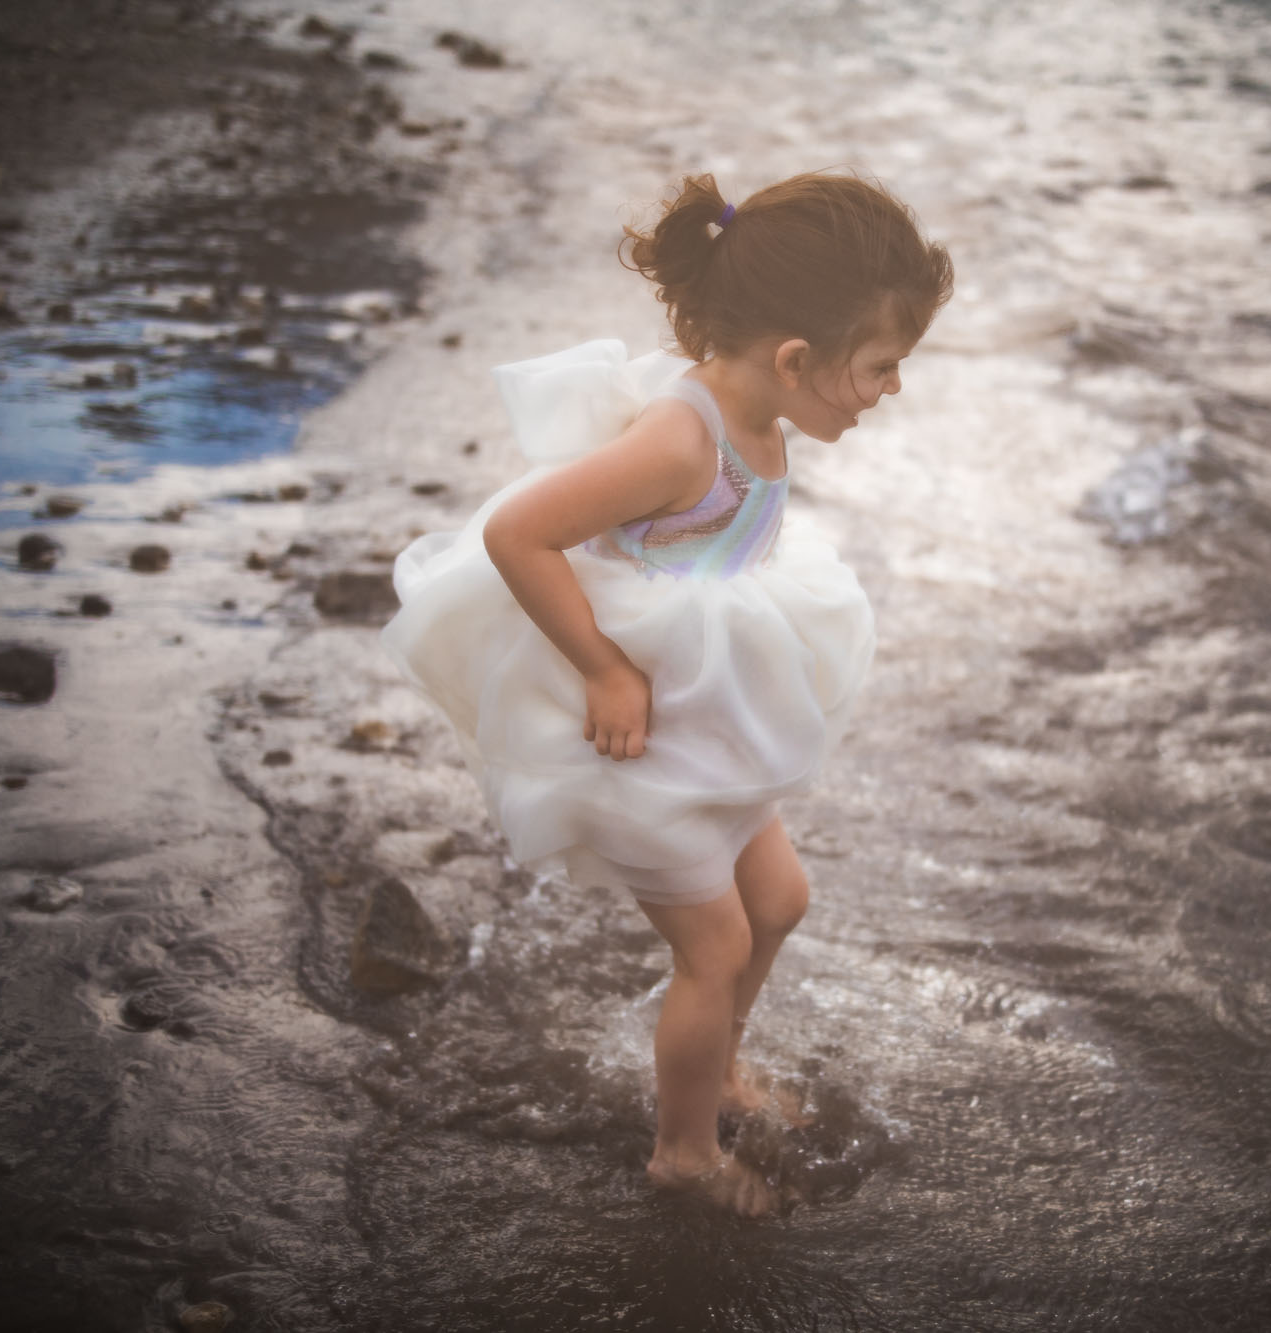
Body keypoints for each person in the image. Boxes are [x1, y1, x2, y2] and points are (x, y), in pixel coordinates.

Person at [380, 171, 952, 1216]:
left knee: (779, 901)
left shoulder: (764, 413)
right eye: (880, 368)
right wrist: (604, 668)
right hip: (643, 746)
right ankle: (682, 1150)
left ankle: (719, 1069)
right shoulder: (680, 437)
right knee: (716, 943)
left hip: (711, 724)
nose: (890, 390)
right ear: (794, 359)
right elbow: (520, 532)